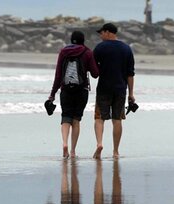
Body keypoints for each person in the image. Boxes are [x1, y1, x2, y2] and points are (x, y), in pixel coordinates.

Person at [49, 31, 99, 159]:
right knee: (76, 120)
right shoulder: (87, 52)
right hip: (81, 90)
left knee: (65, 117)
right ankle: (72, 151)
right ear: (83, 40)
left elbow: (58, 75)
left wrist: (53, 94)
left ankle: (64, 143)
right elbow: (95, 74)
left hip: (66, 90)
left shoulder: (63, 52)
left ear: (71, 40)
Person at [92, 23, 135, 159]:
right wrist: (131, 94)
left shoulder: (100, 48)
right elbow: (130, 74)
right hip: (120, 89)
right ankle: (115, 151)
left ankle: (99, 144)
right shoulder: (126, 49)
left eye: (102, 33)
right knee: (117, 119)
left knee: (99, 118)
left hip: (104, 88)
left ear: (108, 32)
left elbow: (94, 70)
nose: (100, 35)